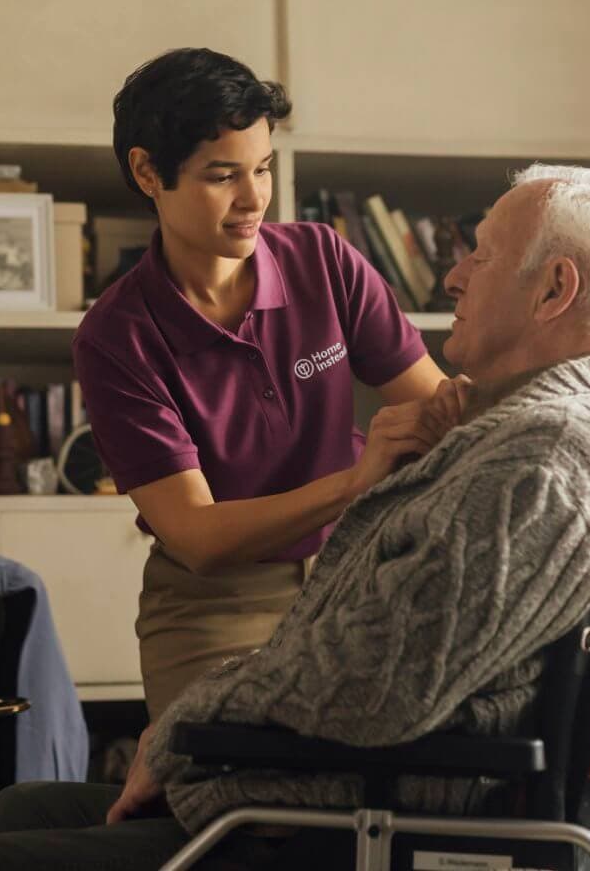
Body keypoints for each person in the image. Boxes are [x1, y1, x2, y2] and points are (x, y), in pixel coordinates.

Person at [0, 163, 590, 871]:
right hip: (372, 760)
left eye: (479, 255)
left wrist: (187, 724)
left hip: (377, 813)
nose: (452, 277)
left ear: (554, 291)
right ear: (152, 176)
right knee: (18, 808)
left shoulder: (543, 462)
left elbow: (380, 684)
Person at [71, 48, 454, 729]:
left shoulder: (324, 261)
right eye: (222, 176)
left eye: (263, 169)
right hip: (215, 606)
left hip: (361, 572)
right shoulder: (117, 337)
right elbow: (197, 535)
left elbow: (440, 411)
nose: (254, 200)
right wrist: (353, 483)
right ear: (146, 172)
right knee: (226, 801)